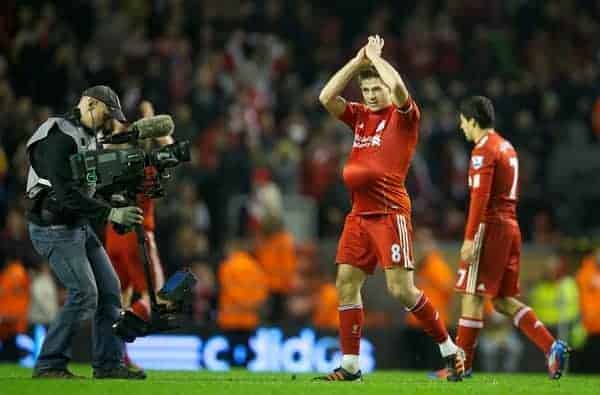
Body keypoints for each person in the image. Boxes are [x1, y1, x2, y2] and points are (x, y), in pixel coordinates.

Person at [315, 35, 464, 382]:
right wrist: (358, 62)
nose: (370, 95)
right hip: (358, 215)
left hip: (389, 213)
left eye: (375, 90)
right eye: (366, 91)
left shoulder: (405, 119)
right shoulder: (360, 117)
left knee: (401, 290)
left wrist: (378, 58)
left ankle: (450, 349)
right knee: (346, 282)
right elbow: (325, 97)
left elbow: (397, 87)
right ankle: (350, 366)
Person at [25, 86, 146, 379]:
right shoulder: (58, 137)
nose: (108, 121)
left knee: (109, 289)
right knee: (84, 293)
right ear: (90, 103)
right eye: (106, 113)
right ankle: (49, 364)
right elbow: (66, 194)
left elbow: (90, 183)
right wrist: (110, 213)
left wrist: (112, 200)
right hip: (53, 228)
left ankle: (108, 365)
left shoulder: (89, 137)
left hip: (77, 226)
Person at [449, 96, 570, 381]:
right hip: (511, 226)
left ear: (473, 121)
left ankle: (460, 367)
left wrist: (469, 238)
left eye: (463, 121)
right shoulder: (507, 146)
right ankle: (550, 346)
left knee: (472, 296)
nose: (461, 126)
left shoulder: (483, 149)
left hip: (490, 228)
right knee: (502, 300)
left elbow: (480, 197)